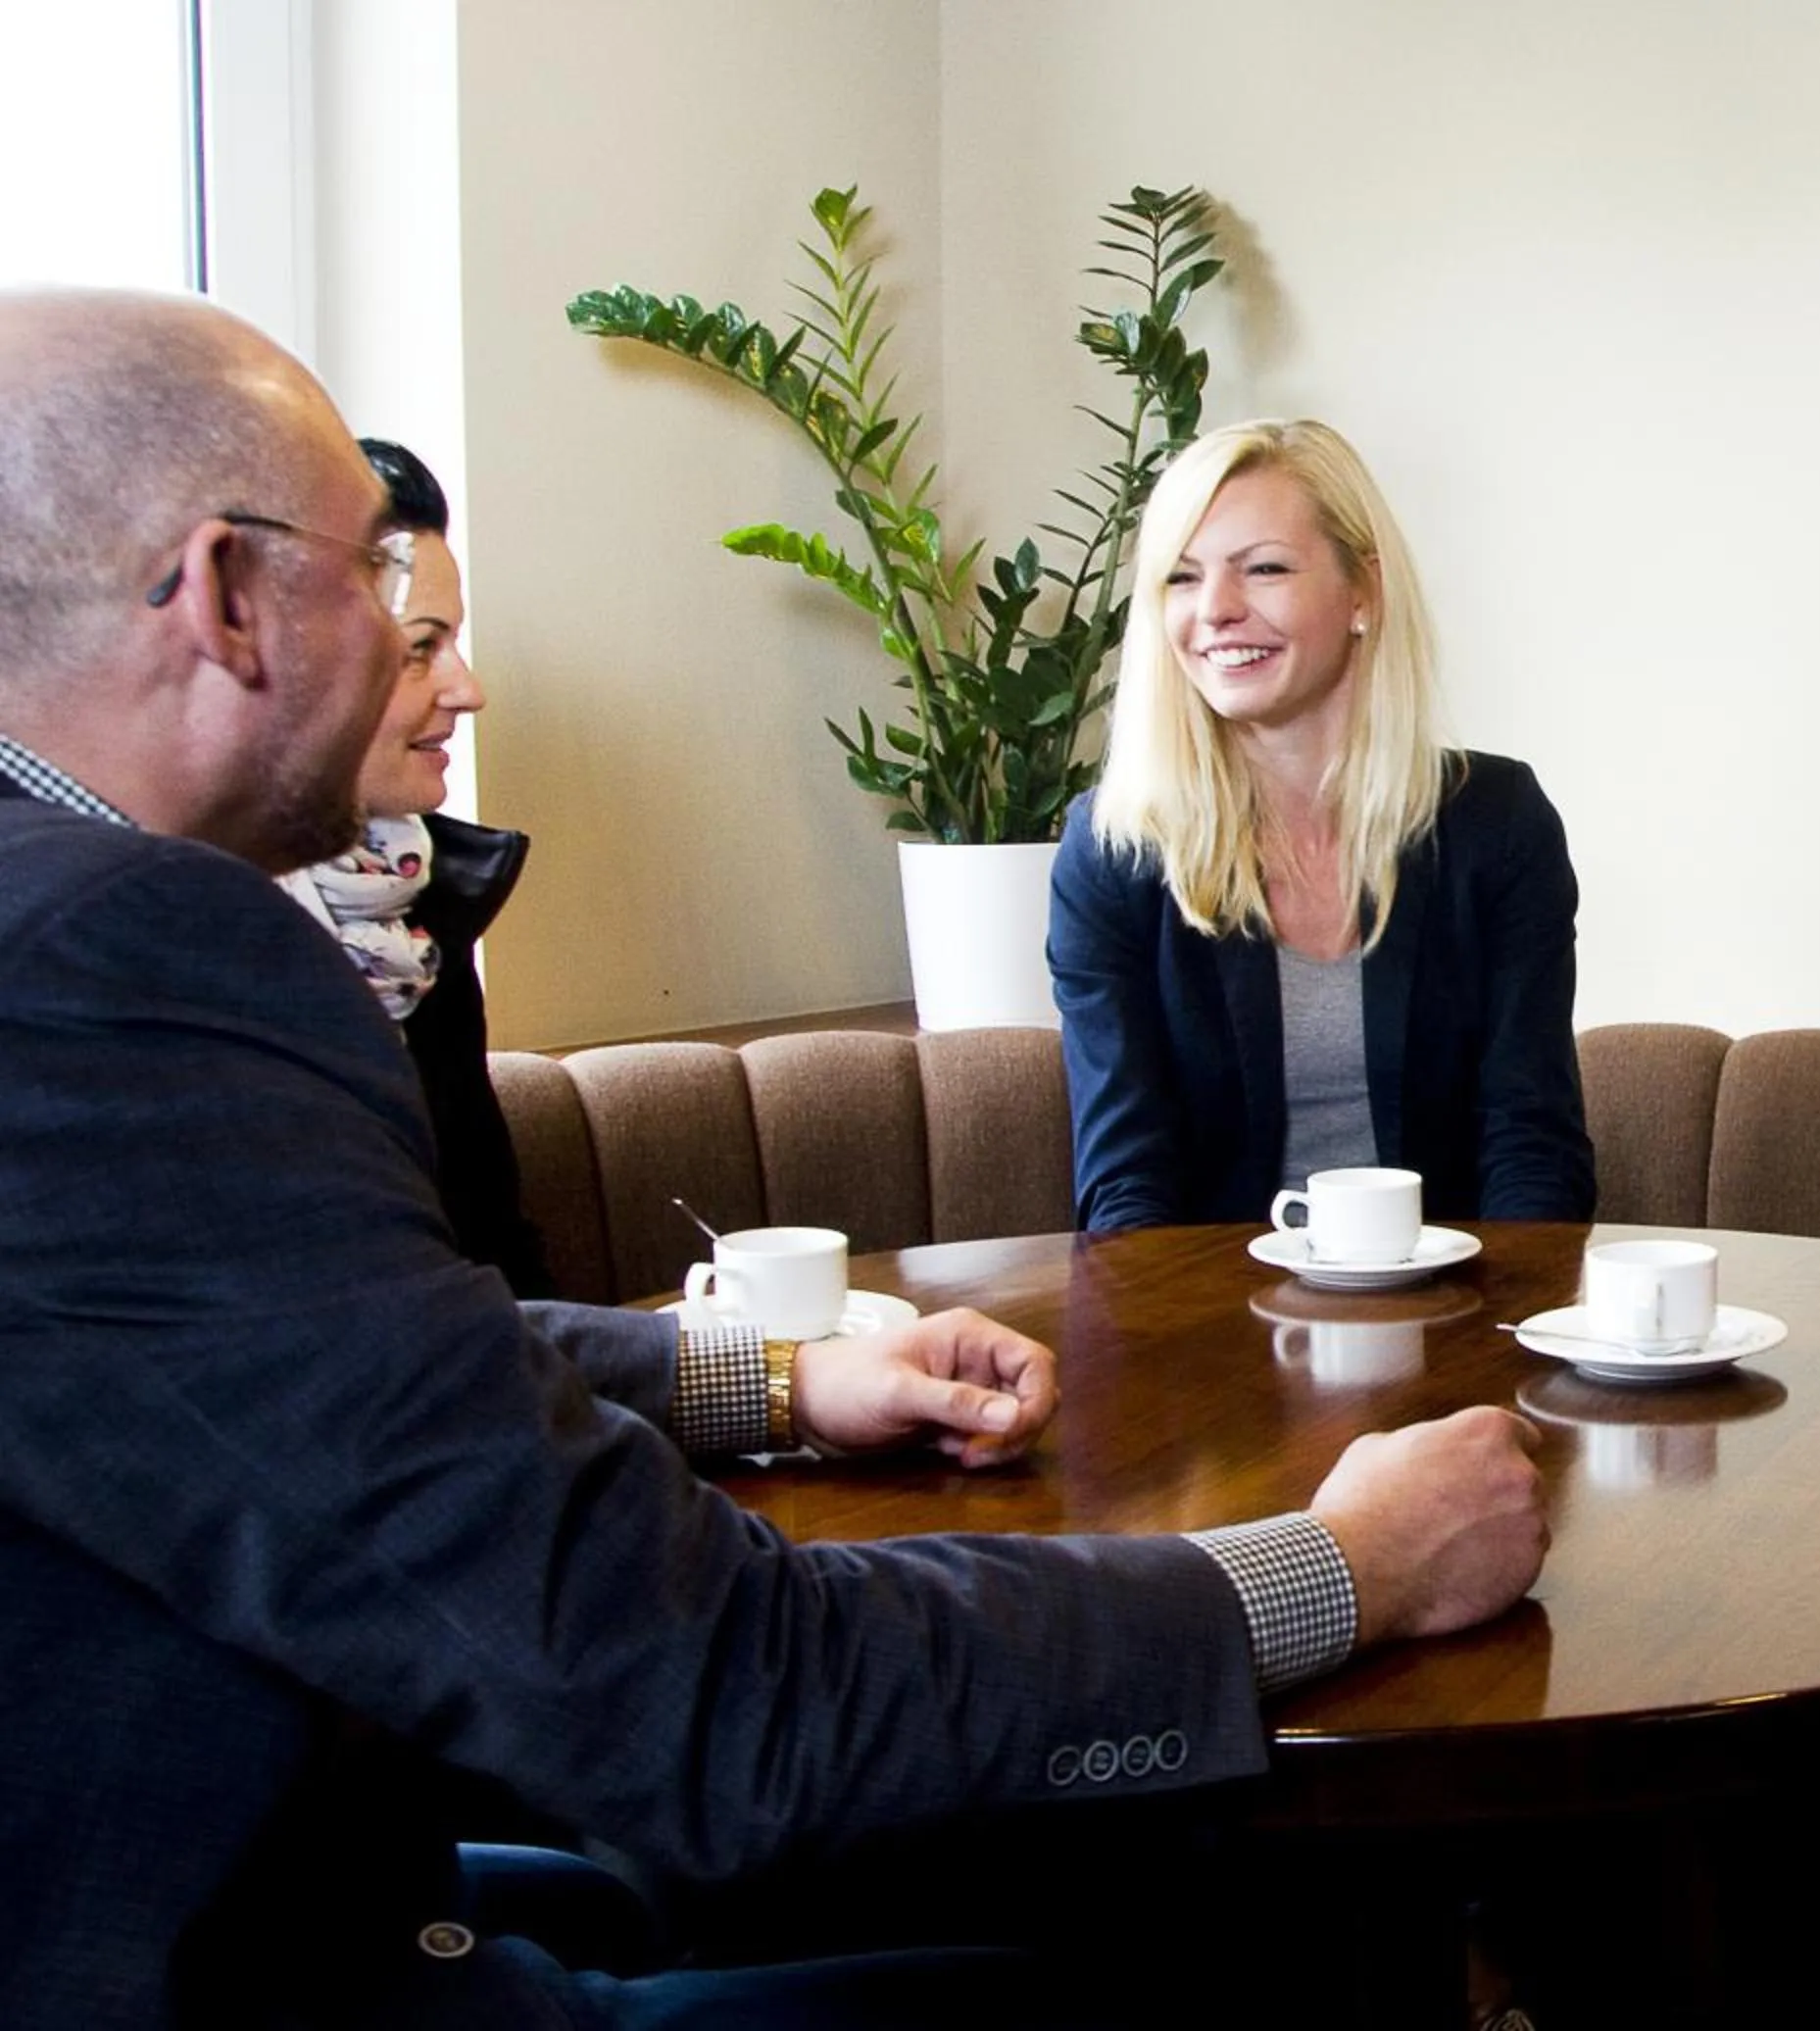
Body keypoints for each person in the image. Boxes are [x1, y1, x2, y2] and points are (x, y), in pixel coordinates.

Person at [0, 287, 1549, 2028]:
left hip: (274, 1866)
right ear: (224, 595)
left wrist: (782, 1372)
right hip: (201, 1952)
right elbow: (728, 1700)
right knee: (1188, 1980)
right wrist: (1341, 1568)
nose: (456, 669)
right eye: (377, 577)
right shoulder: (114, 964)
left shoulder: (68, 939)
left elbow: (359, 1351)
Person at [1050, 419, 1597, 1233]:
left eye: (1263, 569)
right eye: (1183, 578)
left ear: (1363, 593)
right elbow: (1126, 1182)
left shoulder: (1498, 823)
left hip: (1461, 1309)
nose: (1217, 611)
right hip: (1205, 1319)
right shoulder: (1112, 849)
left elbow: (1532, 1147)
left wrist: (1497, 1348)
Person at [278, 435, 553, 1295]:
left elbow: (495, 1259)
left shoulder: (420, 906)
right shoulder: (192, 933)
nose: (469, 688)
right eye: (422, 647)